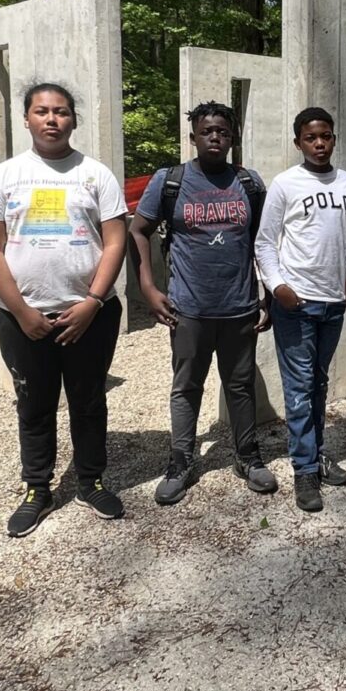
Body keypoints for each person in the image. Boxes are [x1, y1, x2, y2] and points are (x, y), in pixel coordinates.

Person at [0, 83, 128, 538]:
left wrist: (92, 302)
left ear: (73, 120)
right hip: (25, 319)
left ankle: (91, 480)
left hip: (90, 316)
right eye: (41, 111)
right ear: (26, 119)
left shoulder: (95, 174)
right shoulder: (4, 176)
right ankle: (37, 488)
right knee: (34, 405)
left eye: (60, 112)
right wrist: (21, 311)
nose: (51, 119)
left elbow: (116, 241)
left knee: (88, 401)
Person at [131, 101, 278, 505]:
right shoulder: (171, 180)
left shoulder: (248, 183)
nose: (215, 137)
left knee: (240, 386)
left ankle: (247, 457)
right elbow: (139, 230)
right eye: (207, 131)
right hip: (188, 309)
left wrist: (269, 289)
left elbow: (264, 240)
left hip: (240, 307)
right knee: (187, 387)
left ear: (233, 138)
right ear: (193, 136)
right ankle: (181, 461)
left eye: (224, 132)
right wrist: (147, 286)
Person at [254, 107, 346, 512]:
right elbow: (265, 242)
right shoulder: (285, 183)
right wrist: (278, 286)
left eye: (326, 136)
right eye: (311, 138)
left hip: (334, 303)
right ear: (298, 141)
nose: (320, 144)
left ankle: (316, 454)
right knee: (299, 389)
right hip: (296, 304)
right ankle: (303, 469)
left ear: (333, 139)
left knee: (318, 383)